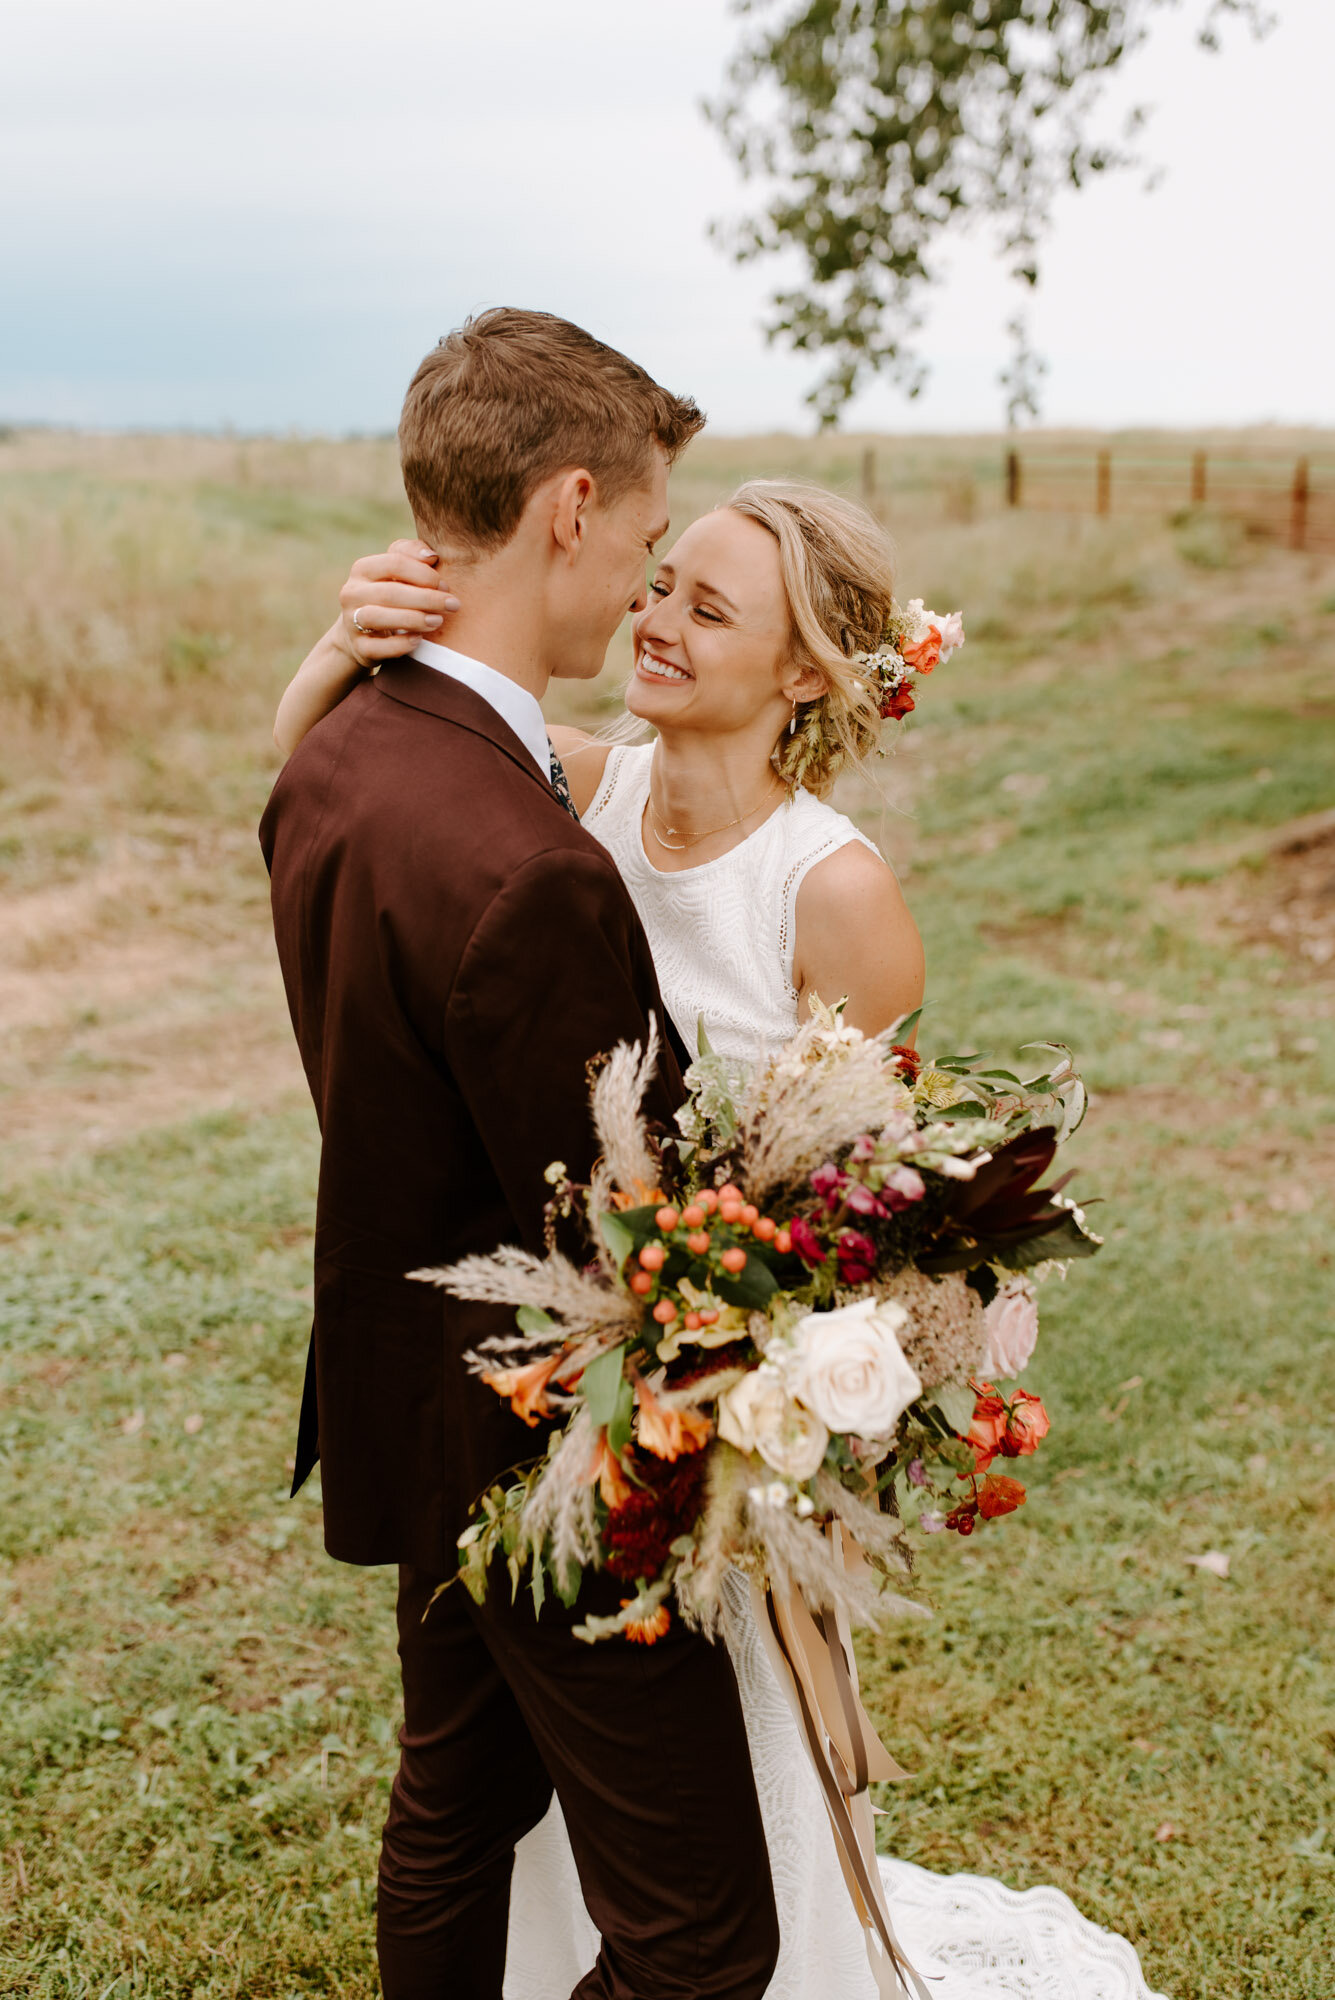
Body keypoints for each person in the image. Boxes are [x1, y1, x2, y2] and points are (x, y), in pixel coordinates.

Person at [280, 452, 1166, 1999]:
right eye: (662, 576)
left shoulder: (833, 894)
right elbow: (352, 796)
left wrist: (786, 1366)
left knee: (697, 1814)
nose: (658, 613)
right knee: (488, 1788)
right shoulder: (562, 784)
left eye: (711, 604)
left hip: (708, 1414)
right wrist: (341, 643)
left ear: (807, 669)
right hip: (530, 1387)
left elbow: (862, 1196)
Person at [261, 308, 781, 2000]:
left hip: (409, 1396)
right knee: (702, 1944)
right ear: (568, 506)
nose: (641, 591)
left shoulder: (336, 759)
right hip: (554, 1453)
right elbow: (633, 1229)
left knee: (452, 1808)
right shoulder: (526, 866)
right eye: (639, 543)